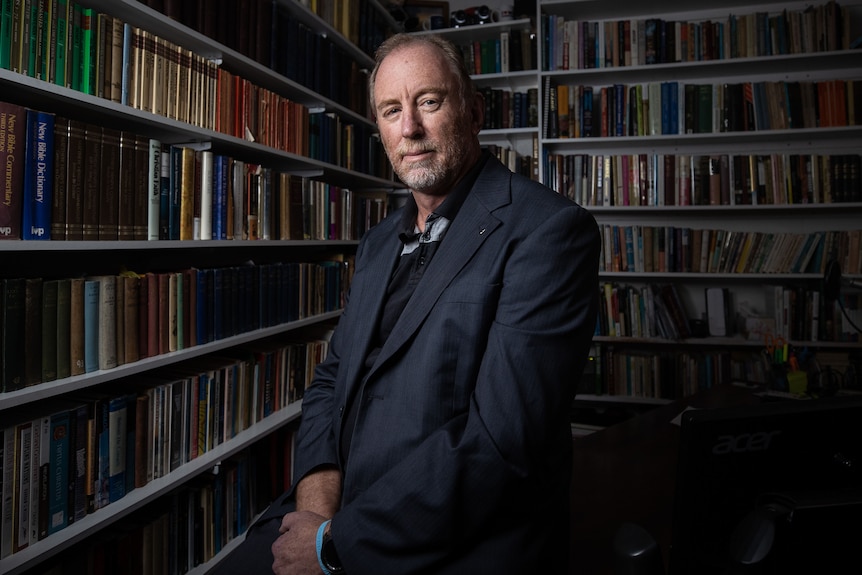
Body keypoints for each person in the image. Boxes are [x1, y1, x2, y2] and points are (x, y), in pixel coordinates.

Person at [211, 33, 600, 575]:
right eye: (392, 110)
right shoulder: (377, 244)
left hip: (456, 541)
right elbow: (333, 379)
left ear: (474, 112)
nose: (410, 128)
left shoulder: (549, 231)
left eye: (429, 102)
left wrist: (332, 546)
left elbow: (501, 444)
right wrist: (318, 510)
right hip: (339, 508)